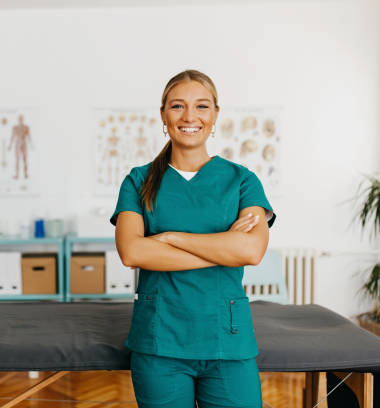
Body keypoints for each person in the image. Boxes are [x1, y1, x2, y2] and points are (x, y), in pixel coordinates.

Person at [110, 70, 276, 408]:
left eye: (201, 106)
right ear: (163, 115)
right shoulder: (138, 182)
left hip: (228, 343)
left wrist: (170, 238)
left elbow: (252, 250)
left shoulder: (243, 181)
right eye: (177, 106)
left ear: (215, 115)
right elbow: (131, 251)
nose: (189, 117)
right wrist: (223, 247)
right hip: (160, 345)